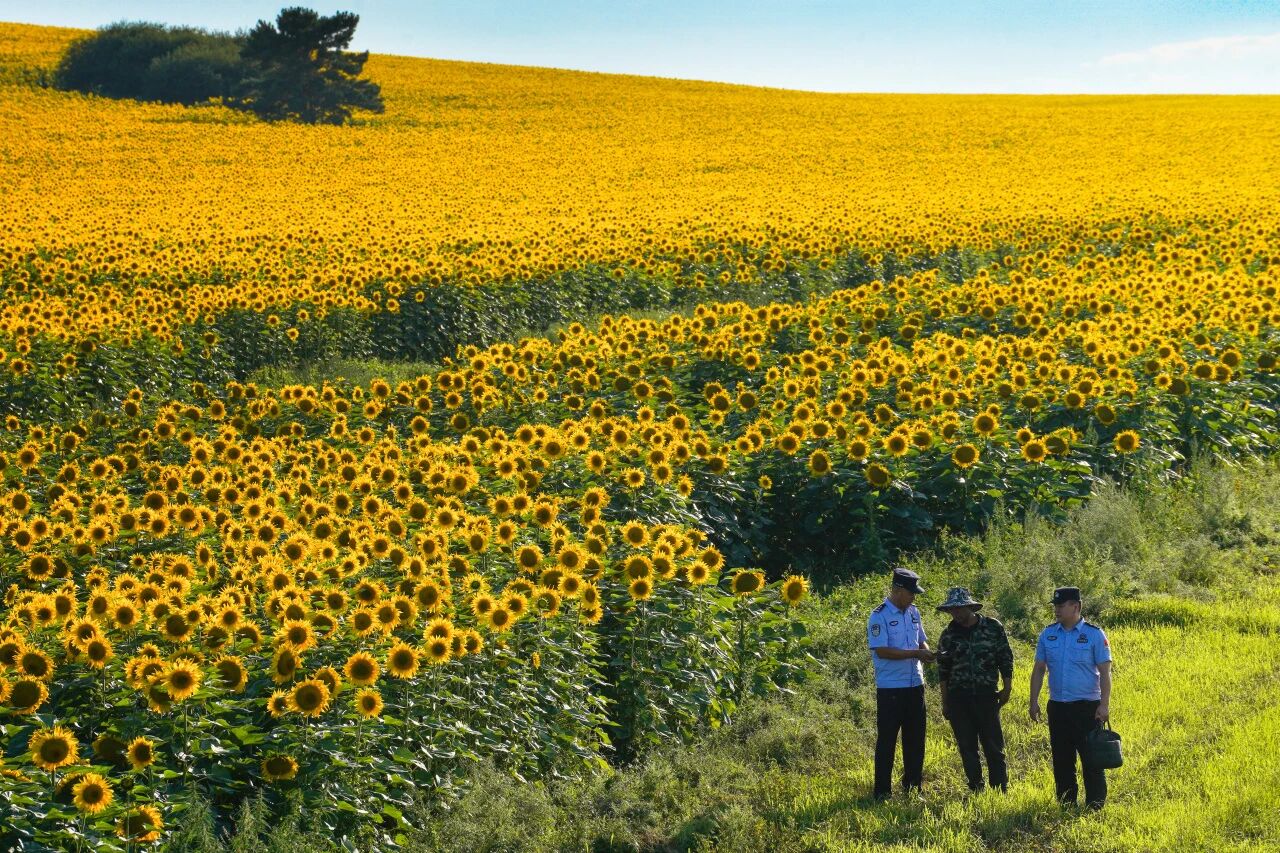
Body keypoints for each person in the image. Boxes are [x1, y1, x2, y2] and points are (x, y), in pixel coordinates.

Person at [1029, 586, 1113, 809]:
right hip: (1058, 707)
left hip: (1087, 707)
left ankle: (1095, 805)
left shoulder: (1094, 635)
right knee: (1062, 759)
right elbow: (1039, 669)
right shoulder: (1048, 634)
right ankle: (1066, 803)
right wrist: (1033, 701)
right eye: (1055, 605)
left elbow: (1105, 673)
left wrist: (1104, 705)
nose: (1056, 609)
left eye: (1061, 605)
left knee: (1091, 759)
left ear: (1076, 606)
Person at [936, 586, 1013, 793]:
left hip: (986, 695)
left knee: (994, 747)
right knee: (967, 748)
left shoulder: (992, 627)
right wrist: (945, 702)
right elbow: (943, 671)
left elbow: (1004, 656)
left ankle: (999, 789)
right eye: (952, 610)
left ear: (970, 606)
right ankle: (976, 788)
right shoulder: (948, 635)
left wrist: (1007, 686)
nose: (956, 613)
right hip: (958, 698)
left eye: (960, 608)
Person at [867, 567, 934, 800]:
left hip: (915, 684)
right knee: (887, 739)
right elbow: (882, 650)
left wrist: (927, 652)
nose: (914, 597)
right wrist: (915, 654)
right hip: (890, 688)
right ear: (897, 590)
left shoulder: (914, 612)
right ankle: (882, 791)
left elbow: (921, 641)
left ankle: (913, 787)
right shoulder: (879, 615)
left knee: (916, 739)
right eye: (910, 592)